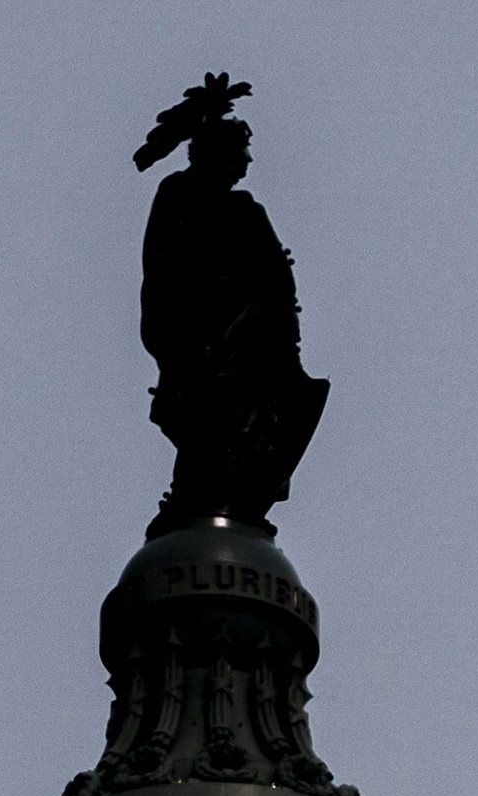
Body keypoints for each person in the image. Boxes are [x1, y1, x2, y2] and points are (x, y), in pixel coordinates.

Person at [134, 74, 329, 528]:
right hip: (202, 338)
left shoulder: (247, 210)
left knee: (249, 431)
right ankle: (194, 502)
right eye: (241, 154)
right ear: (216, 154)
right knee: (211, 427)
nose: (248, 162)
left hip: (255, 345)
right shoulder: (181, 195)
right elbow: (163, 268)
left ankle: (232, 501)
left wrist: (285, 340)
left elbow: (277, 284)